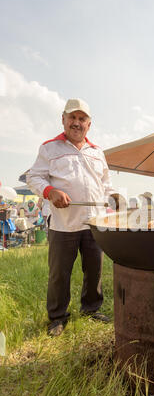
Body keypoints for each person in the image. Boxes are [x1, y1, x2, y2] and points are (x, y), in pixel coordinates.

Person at [27, 98, 122, 336]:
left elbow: (105, 185)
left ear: (89, 124)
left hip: (95, 222)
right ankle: (58, 317)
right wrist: (50, 192)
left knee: (95, 269)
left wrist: (115, 196)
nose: (76, 123)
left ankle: (91, 308)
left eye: (82, 119)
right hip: (63, 223)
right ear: (63, 119)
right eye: (72, 118)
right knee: (60, 272)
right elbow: (34, 177)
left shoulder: (97, 152)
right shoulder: (49, 148)